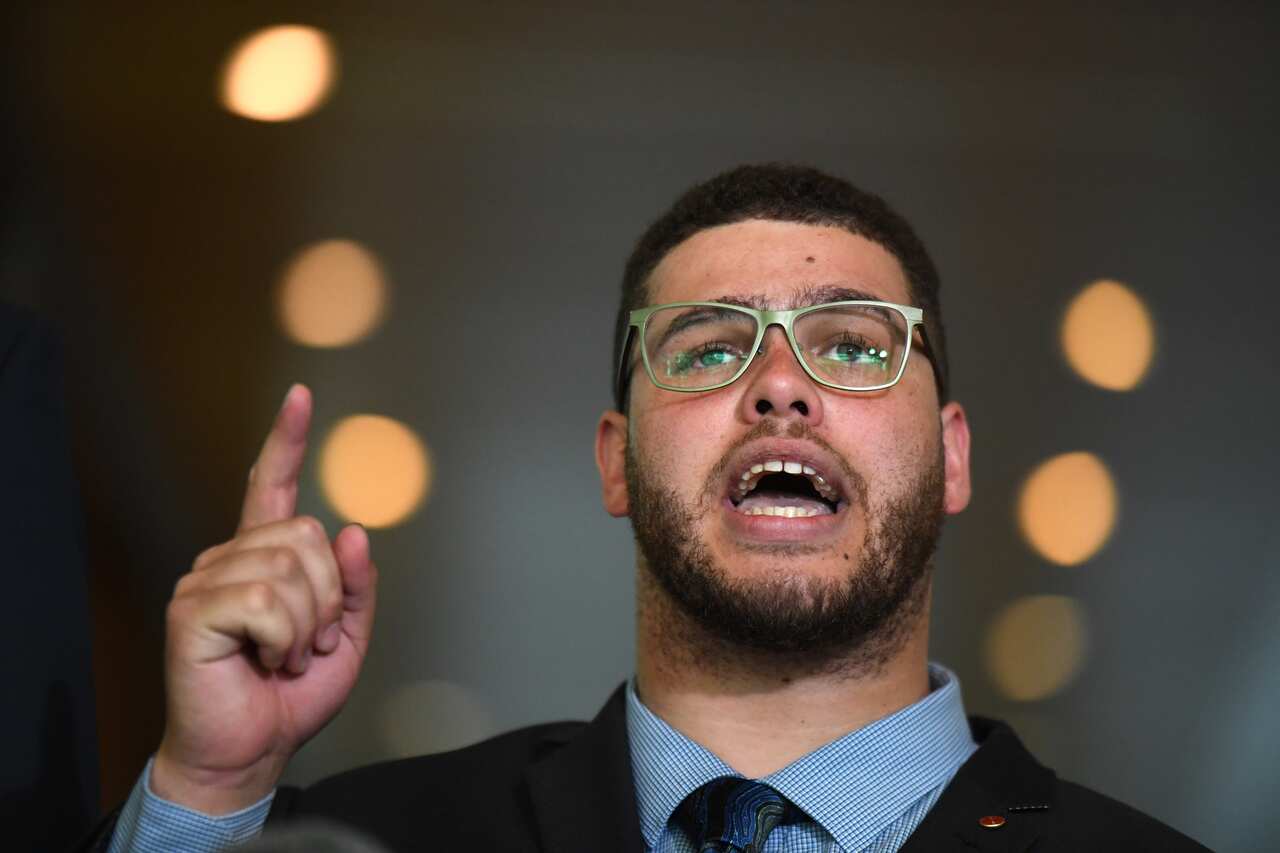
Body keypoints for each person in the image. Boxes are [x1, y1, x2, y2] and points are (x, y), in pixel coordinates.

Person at [87, 164, 1209, 852]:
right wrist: (208, 791)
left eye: (853, 345)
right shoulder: (370, 843)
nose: (778, 384)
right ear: (616, 462)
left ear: (952, 459)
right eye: (710, 345)